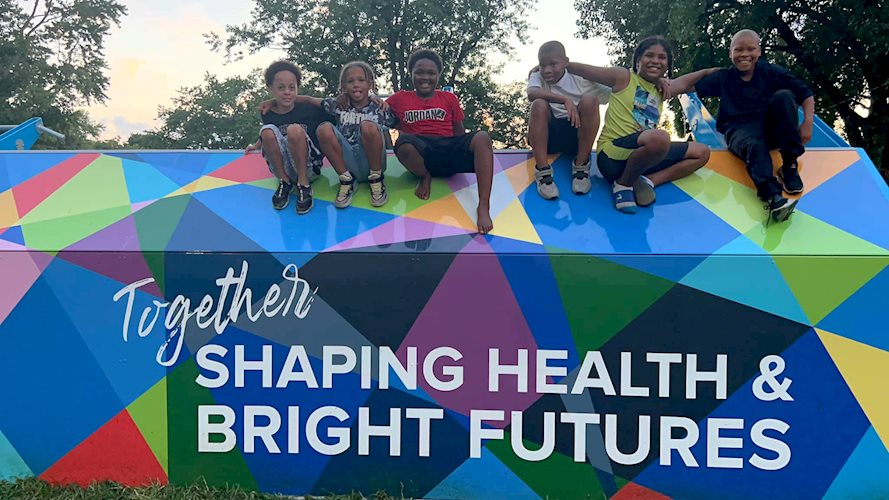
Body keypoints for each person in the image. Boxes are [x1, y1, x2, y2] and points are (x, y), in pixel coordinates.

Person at [678, 29, 814, 223]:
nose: (744, 54)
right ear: (730, 53)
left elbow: (805, 93)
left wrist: (808, 122)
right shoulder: (725, 77)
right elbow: (686, 87)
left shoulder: (771, 72)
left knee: (785, 96)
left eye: (750, 49)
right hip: (739, 129)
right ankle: (773, 197)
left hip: (769, 129)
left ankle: (789, 165)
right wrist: (705, 72)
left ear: (759, 52)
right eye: (738, 50)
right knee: (754, 144)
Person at [565, 36, 711, 213]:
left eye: (662, 57)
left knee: (702, 152)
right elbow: (586, 71)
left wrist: (725, 71)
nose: (655, 61)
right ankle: (623, 185)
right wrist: (555, 65)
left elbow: (691, 81)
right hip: (612, 157)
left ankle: (648, 181)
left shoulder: (664, 89)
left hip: (643, 159)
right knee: (660, 138)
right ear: (638, 60)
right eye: (649, 55)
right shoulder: (623, 77)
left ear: (667, 65)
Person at [260, 61, 396, 211]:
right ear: (343, 87)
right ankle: (346, 181)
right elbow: (308, 99)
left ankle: (376, 179)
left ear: (370, 84)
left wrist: (382, 101)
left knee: (368, 126)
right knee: (324, 128)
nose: (356, 85)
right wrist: (274, 101)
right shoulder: (338, 105)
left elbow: (399, 123)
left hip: (371, 160)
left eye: (361, 80)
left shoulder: (379, 107)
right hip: (349, 163)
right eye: (350, 81)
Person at [386, 48, 495, 234]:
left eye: (431, 73)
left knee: (482, 137)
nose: (425, 77)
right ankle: (424, 176)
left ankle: (483, 205)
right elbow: (375, 109)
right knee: (402, 144)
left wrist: (467, 149)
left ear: (438, 75)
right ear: (411, 73)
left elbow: (458, 131)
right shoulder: (400, 98)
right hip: (421, 151)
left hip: (447, 147)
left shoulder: (448, 98)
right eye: (419, 72)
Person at [246, 60, 334, 214]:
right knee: (266, 130)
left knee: (294, 130)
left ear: (297, 89)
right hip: (284, 168)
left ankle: (304, 185)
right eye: (281, 88)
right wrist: (255, 146)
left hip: (309, 167)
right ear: (270, 88)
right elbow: (268, 137)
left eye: (291, 88)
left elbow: (331, 105)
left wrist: (305, 98)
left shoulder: (309, 109)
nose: (287, 92)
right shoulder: (268, 112)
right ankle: (284, 182)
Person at [527, 40, 611, 199]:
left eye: (553, 64)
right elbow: (532, 93)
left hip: (576, 136)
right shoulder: (537, 75)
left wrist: (653, 82)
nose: (547, 70)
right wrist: (565, 100)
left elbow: (620, 87)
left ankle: (581, 166)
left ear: (566, 62)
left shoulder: (582, 80)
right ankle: (543, 170)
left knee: (590, 101)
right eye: (543, 65)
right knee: (538, 104)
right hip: (548, 137)